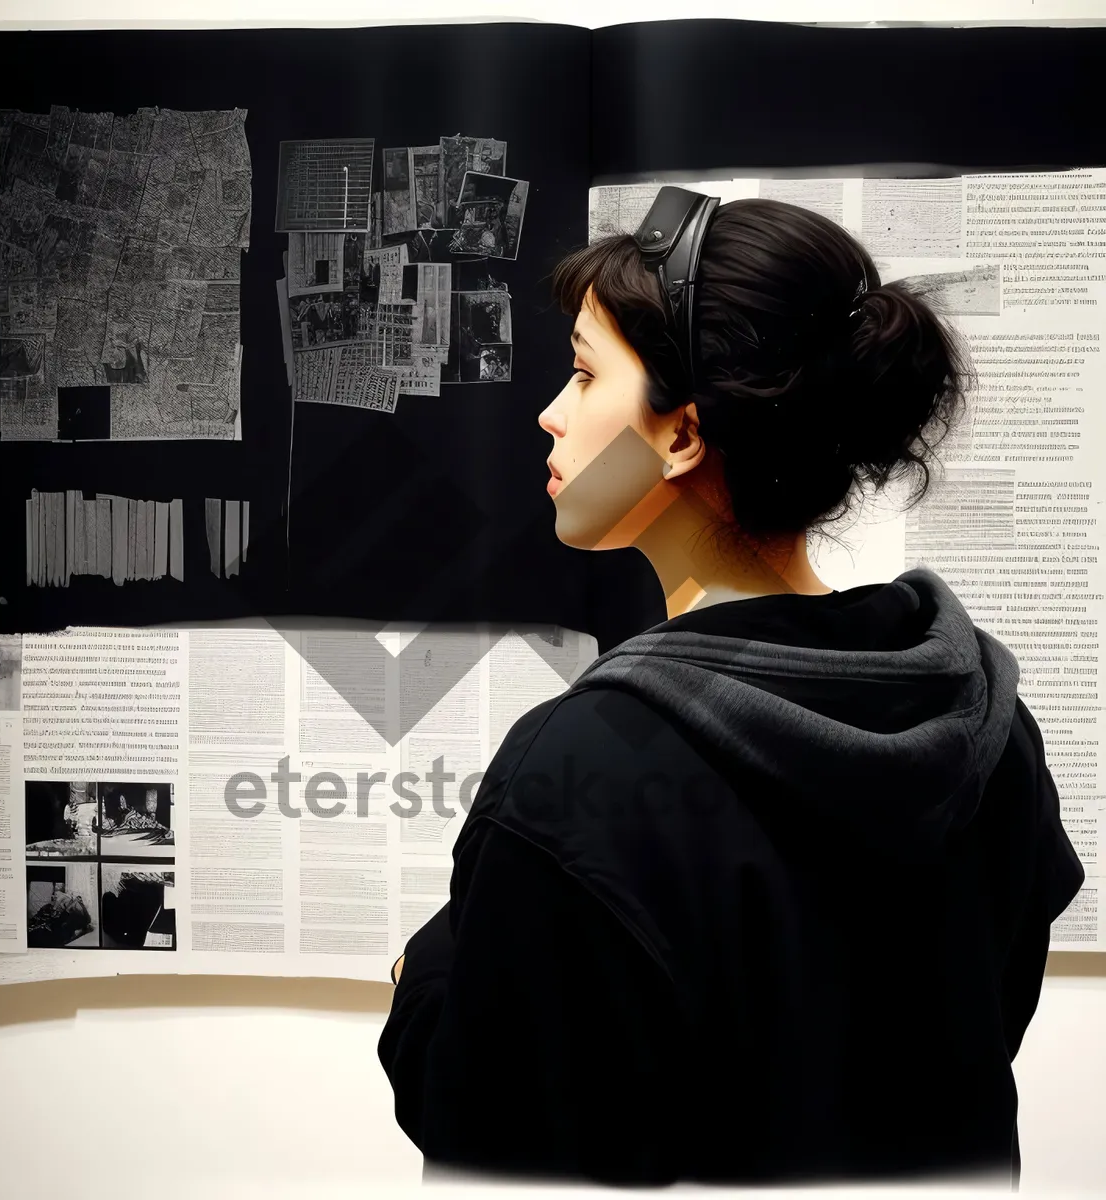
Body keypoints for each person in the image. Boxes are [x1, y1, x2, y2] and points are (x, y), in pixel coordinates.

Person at [377, 192, 1085, 1188]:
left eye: (584, 374)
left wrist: (428, 980)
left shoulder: (582, 769)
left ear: (679, 437)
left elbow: (500, 1138)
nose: (550, 411)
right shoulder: (985, 724)